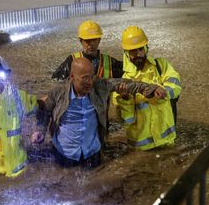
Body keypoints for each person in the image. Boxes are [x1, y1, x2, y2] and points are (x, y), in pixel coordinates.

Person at [33, 57, 161, 168]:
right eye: (85, 78)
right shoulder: (58, 92)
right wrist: (40, 130)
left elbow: (126, 84)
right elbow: (45, 112)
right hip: (64, 154)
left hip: (92, 154)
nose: (90, 82)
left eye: (92, 76)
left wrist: (150, 89)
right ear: (72, 77)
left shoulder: (99, 86)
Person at [113, 26, 181, 150]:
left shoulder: (161, 65)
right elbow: (127, 121)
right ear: (126, 54)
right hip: (141, 149)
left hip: (167, 141)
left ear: (146, 48)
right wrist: (125, 98)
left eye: (140, 49)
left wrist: (164, 92)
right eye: (133, 51)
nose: (138, 54)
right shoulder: (123, 82)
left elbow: (176, 85)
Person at [52, 20, 124, 80]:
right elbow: (56, 81)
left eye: (94, 40)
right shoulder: (72, 60)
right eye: (88, 41)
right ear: (81, 41)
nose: (91, 44)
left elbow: (128, 72)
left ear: (99, 40)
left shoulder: (110, 62)